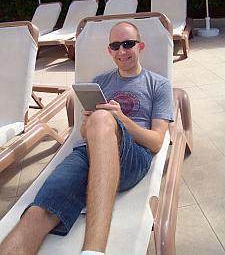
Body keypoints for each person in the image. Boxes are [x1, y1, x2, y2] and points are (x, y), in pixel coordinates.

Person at [0, 21, 173, 255]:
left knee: (102, 119)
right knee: (39, 211)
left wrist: (120, 118)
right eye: (115, 46)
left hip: (133, 157)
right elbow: (83, 133)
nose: (121, 51)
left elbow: (156, 142)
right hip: (88, 153)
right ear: (109, 50)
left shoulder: (159, 85)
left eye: (128, 44)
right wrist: (90, 123)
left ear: (140, 46)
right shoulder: (100, 82)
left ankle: (93, 250)